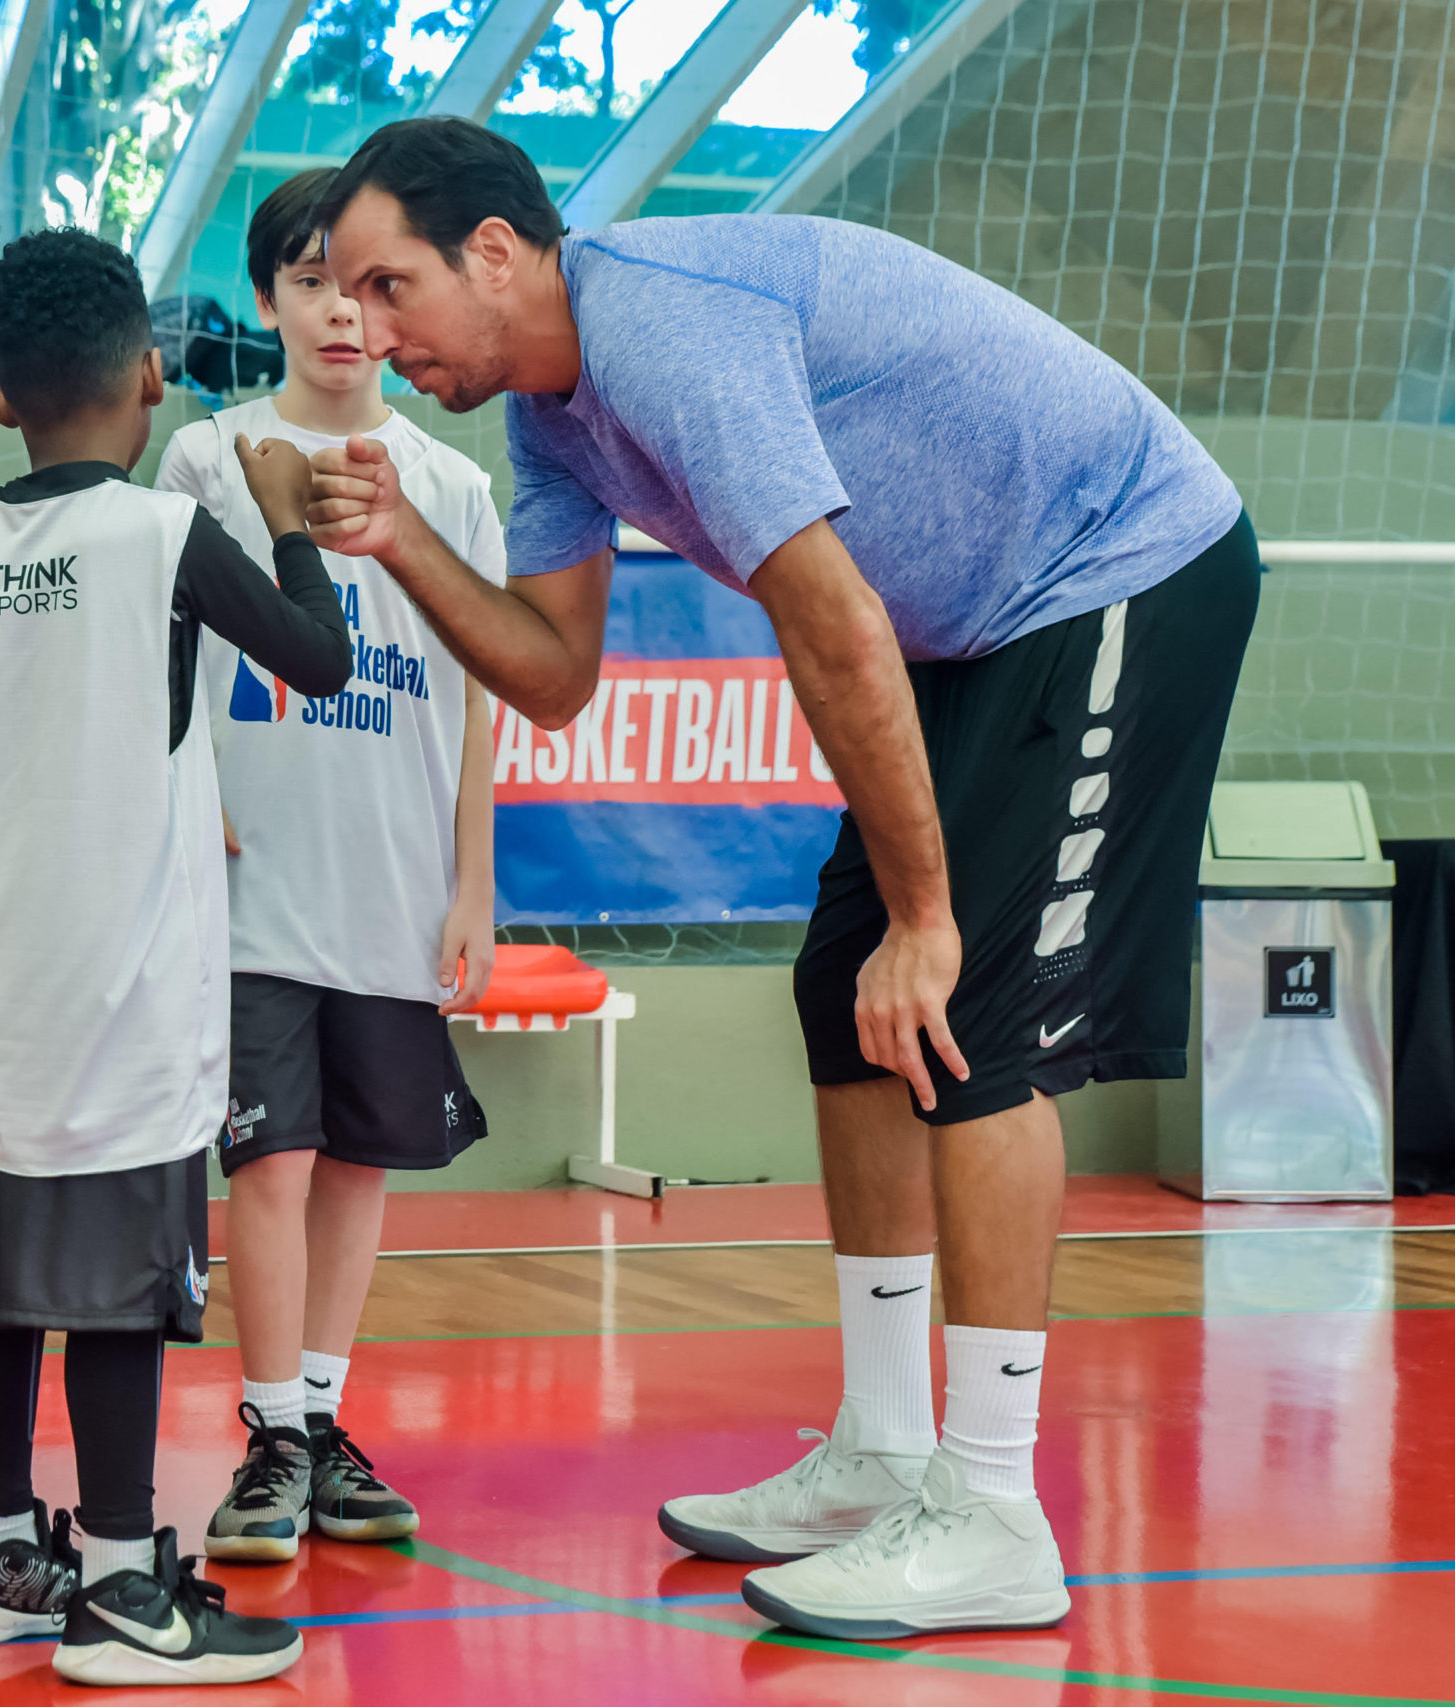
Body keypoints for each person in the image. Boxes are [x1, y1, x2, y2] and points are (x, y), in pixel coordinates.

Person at [306, 118, 1259, 1640]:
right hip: (975, 628)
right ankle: (885, 1449)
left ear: (495, 252)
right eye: (345, 295)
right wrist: (410, 540)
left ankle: (995, 1509)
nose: (364, 325)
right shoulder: (553, 418)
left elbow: (830, 623)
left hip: (1119, 563)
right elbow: (555, 675)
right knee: (844, 994)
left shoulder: (665, 329)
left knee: (972, 1018)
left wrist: (933, 918)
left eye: (388, 283)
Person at [0, 227, 354, 1685]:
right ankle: (116, 1585)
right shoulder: (164, 534)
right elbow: (320, 656)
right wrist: (289, 514)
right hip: (131, 998)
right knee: (115, 1289)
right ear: (152, 378)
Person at [155, 168, 497, 1563]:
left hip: (396, 881)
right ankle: (271, 1434)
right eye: (309, 282)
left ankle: (325, 1414)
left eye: (365, 285)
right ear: (269, 301)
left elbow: (481, 696)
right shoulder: (204, 459)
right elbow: (153, 655)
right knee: (270, 1160)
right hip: (249, 888)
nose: (342, 313)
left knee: (358, 1160)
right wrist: (187, 799)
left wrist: (473, 876)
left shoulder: (457, 485)